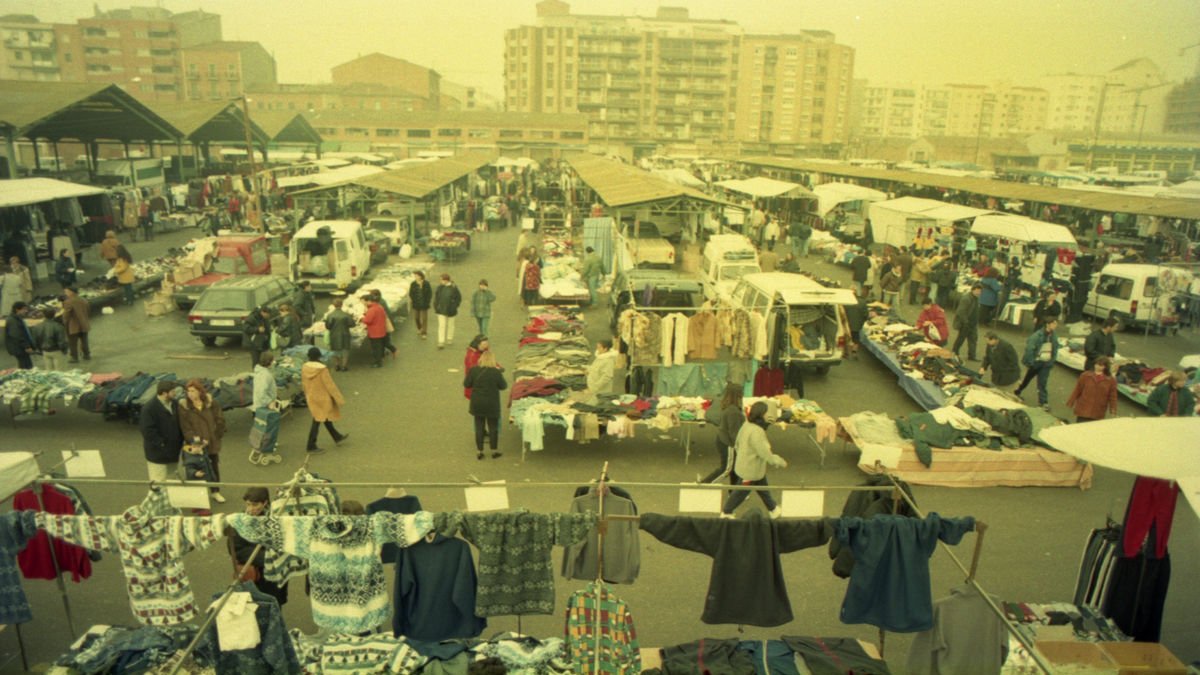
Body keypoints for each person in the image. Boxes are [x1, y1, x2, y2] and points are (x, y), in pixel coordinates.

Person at [720, 401, 787, 519]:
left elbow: (738, 442)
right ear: (761, 416)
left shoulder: (747, 424)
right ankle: (726, 512)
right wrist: (778, 461)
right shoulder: (758, 432)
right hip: (751, 469)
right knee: (741, 492)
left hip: (746, 464)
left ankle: (773, 509)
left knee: (763, 488)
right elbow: (764, 453)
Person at [225, 487, 288, 606]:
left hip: (274, 574)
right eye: (248, 504)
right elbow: (236, 550)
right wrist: (266, 557)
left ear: (265, 503)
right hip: (256, 574)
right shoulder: (240, 522)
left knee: (275, 603)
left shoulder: (275, 518)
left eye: (255, 505)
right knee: (255, 604)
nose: (250, 509)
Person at [178, 379, 227, 503]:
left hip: (211, 442)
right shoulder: (184, 407)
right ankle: (199, 495)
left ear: (200, 391)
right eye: (188, 391)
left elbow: (220, 420)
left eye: (193, 391)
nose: (190, 394)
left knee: (213, 467)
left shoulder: (211, 403)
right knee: (196, 469)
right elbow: (185, 427)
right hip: (196, 445)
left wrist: (216, 436)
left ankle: (215, 491)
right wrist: (196, 442)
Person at [301, 346, 348, 454]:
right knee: (318, 420)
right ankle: (311, 445)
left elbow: (303, 383)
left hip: (311, 396)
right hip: (322, 397)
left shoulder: (304, 368)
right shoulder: (322, 369)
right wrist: (339, 398)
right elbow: (330, 385)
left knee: (323, 417)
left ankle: (337, 436)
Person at [464, 350, 507, 460]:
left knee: (479, 427)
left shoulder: (474, 370)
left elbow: (466, 384)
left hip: (477, 402)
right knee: (493, 427)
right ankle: (494, 451)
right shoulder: (495, 372)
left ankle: (479, 451)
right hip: (492, 403)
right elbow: (503, 386)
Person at [700, 384, 744, 485]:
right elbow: (734, 433)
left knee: (734, 467)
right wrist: (740, 446)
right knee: (726, 469)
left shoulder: (727, 406)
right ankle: (705, 484)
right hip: (728, 443)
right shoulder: (734, 411)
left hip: (722, 439)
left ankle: (734, 491)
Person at [139, 381, 182, 481]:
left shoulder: (174, 404)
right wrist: (162, 444)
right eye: (172, 391)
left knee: (172, 480)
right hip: (157, 454)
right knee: (158, 483)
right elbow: (147, 431)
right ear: (164, 393)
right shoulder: (149, 408)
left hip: (173, 453)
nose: (175, 393)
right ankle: (154, 497)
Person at [1015, 318, 1059, 409]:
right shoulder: (1037, 336)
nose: (1055, 326)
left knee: (1042, 383)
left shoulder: (1054, 336)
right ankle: (1017, 391)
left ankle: (1043, 402)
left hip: (1046, 363)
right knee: (1025, 379)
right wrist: (1031, 362)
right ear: (1047, 324)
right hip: (1035, 362)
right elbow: (1029, 349)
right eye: (1054, 324)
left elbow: (1055, 349)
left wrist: (1051, 361)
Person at [249, 352, 283, 466]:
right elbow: (262, 392)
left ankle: (261, 444)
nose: (274, 362)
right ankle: (266, 446)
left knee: (260, 427)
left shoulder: (259, 372)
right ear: (269, 362)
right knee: (268, 428)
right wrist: (269, 402)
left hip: (258, 405)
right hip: (264, 406)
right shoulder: (266, 376)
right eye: (272, 360)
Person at [1066, 357, 1118, 423]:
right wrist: (1071, 402)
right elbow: (1077, 389)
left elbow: (1113, 396)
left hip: (1098, 410)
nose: (1097, 366)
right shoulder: (1085, 375)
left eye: (1100, 365)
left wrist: (1113, 409)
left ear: (1105, 367)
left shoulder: (1111, 380)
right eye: (1096, 364)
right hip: (1083, 407)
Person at [952, 284, 982, 361]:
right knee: (961, 339)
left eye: (980, 291)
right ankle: (954, 352)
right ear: (973, 290)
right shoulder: (966, 299)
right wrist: (966, 321)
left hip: (973, 323)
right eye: (977, 291)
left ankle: (972, 355)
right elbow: (961, 311)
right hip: (966, 323)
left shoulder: (975, 298)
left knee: (973, 340)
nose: (979, 293)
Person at [433, 273, 462, 349]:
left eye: (441, 279)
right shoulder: (440, 287)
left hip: (451, 310)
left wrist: (454, 307)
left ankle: (449, 338)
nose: (440, 281)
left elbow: (458, 298)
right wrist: (436, 306)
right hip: (441, 310)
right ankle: (441, 341)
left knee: (450, 325)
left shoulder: (454, 288)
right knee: (441, 326)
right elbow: (436, 297)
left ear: (446, 280)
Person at [324, 297, 353, 372]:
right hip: (345, 334)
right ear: (342, 305)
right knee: (345, 350)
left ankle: (337, 365)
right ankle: (344, 366)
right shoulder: (346, 315)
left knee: (335, 350)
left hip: (334, 334)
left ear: (333, 305)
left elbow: (327, 326)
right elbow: (352, 324)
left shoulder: (330, 315)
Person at [4, 301, 35, 369]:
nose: (26, 311)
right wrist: (26, 346)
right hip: (19, 348)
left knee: (26, 366)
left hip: (20, 348)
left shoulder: (16, 318)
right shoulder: (12, 321)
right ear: (17, 309)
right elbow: (16, 335)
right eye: (24, 309)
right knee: (27, 367)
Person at [360, 294, 388, 368]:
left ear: (369, 301)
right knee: (379, 346)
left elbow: (367, 320)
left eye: (365, 301)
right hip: (381, 330)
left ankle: (377, 362)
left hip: (375, 331)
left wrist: (362, 319)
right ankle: (380, 359)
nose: (365, 303)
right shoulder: (379, 307)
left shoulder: (372, 309)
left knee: (376, 347)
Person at [242, 305, 273, 370]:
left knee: (263, 360)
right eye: (267, 314)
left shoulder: (264, 318)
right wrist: (257, 329)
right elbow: (246, 328)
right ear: (263, 312)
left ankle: (263, 373)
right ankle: (256, 375)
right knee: (256, 361)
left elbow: (266, 327)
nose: (268, 316)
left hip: (263, 342)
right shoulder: (252, 318)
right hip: (254, 343)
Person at [408, 271, 433, 339]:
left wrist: (421, 287)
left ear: (420, 276)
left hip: (424, 304)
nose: (415, 277)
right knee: (416, 318)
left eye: (416, 276)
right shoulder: (413, 284)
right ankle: (419, 328)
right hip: (416, 304)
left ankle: (424, 332)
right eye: (415, 276)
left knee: (424, 319)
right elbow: (411, 293)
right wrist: (413, 299)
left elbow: (429, 293)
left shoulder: (426, 283)